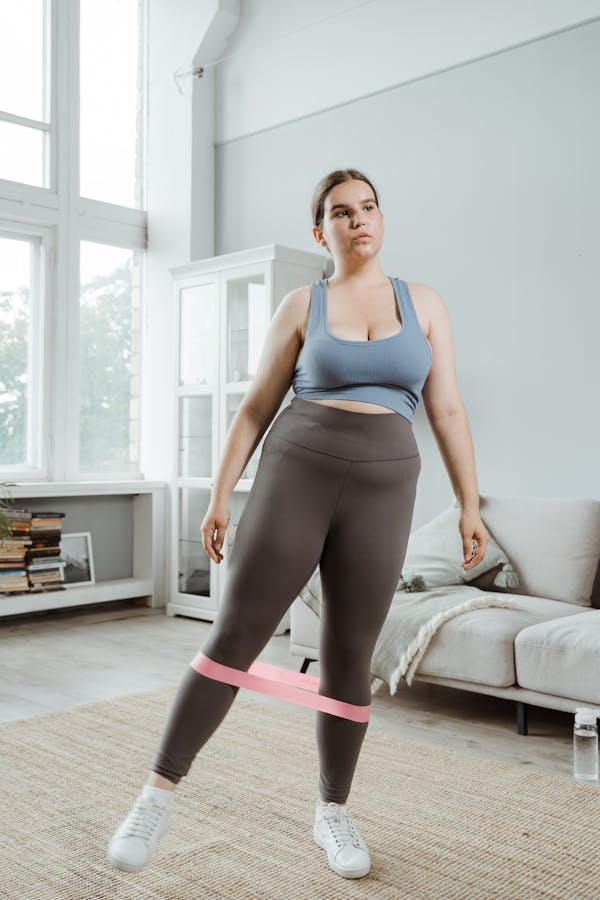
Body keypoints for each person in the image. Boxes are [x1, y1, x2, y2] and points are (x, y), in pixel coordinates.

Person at [108, 168, 489, 880]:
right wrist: (220, 494)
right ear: (323, 231)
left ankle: (333, 812)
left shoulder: (426, 303)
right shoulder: (301, 305)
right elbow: (255, 407)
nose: (359, 220)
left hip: (385, 490)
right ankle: (155, 796)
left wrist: (470, 504)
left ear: (382, 218)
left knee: (350, 657)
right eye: (342, 213)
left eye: (369, 207)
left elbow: (447, 410)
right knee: (235, 637)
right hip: (297, 474)